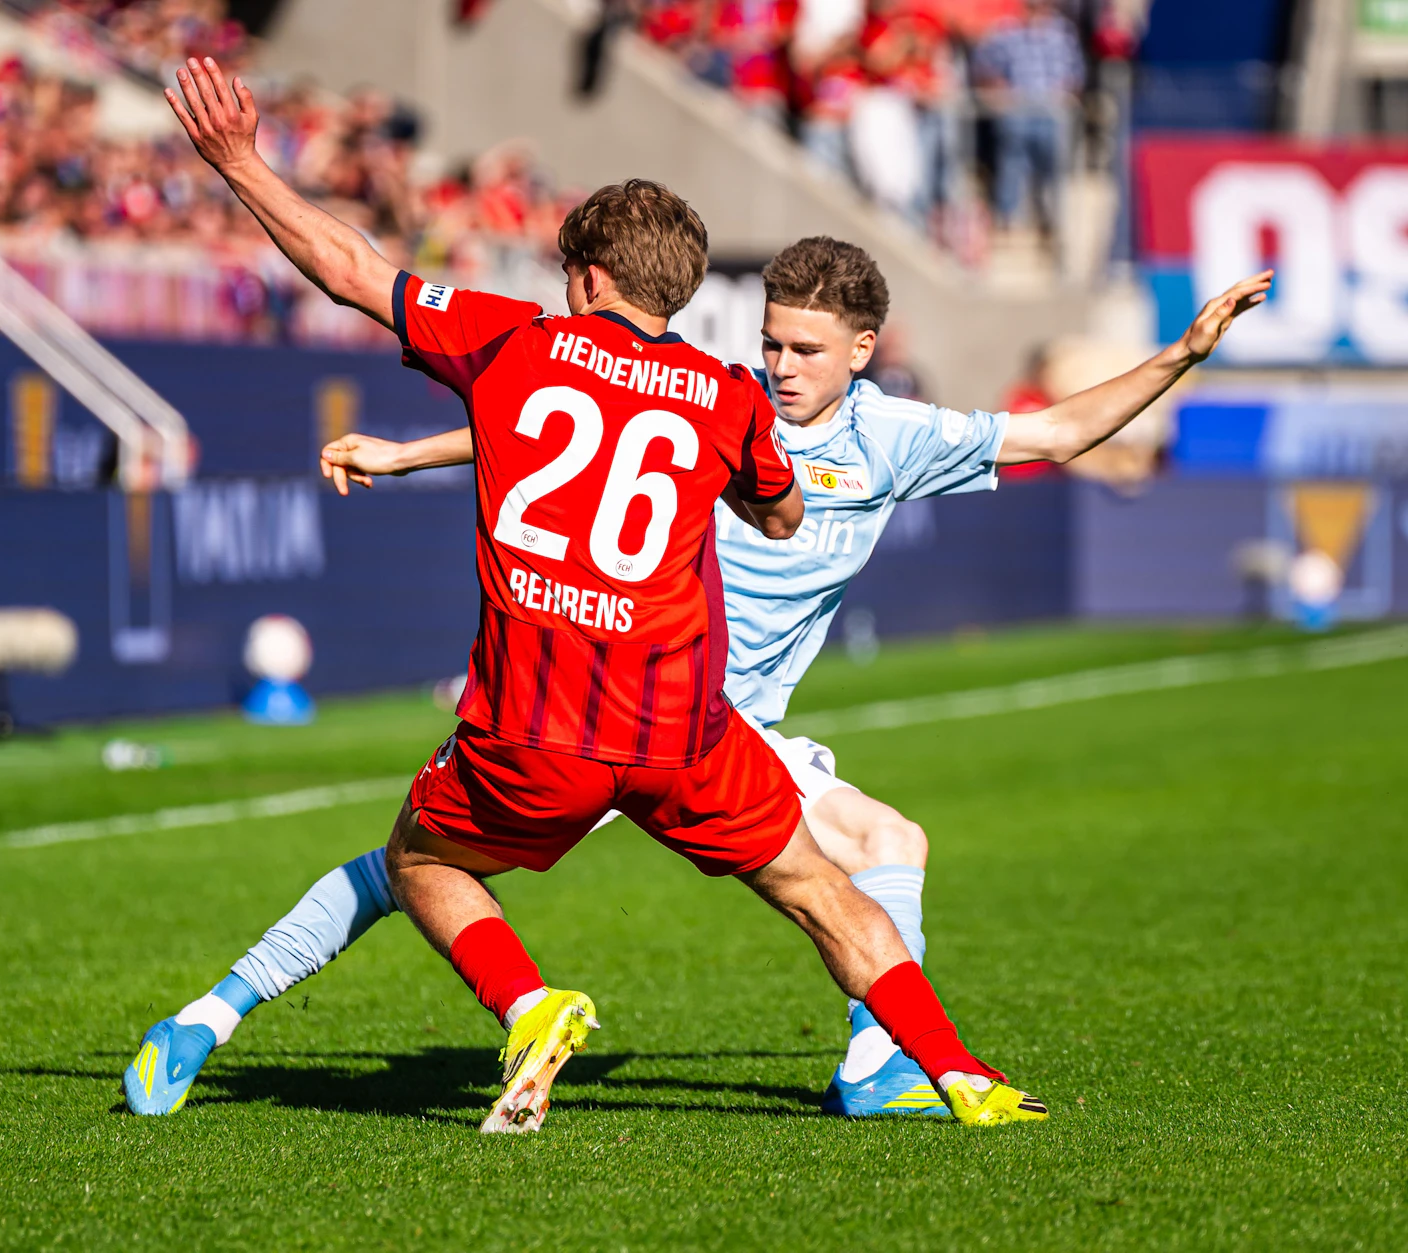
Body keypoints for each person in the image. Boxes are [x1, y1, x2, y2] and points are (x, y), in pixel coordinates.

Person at [135, 234, 1271, 1121]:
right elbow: (546, 423)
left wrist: (1179, 355)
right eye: (770, 342)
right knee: (405, 871)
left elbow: (1062, 430)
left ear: (861, 351)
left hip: (714, 728)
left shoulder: (899, 439)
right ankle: (211, 1012)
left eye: (803, 350)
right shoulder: (714, 393)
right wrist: (408, 449)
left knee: (881, 844)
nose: (776, 366)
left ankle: (878, 1066)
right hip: (638, 704)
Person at [127, 56, 1050, 1132]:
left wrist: (240, 160)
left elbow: (347, 266)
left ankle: (520, 1001)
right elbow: (783, 511)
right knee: (824, 892)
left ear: (585, 280)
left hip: (536, 722)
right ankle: (959, 1073)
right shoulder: (723, 398)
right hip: (682, 733)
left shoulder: (513, 346)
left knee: (414, 860)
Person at [974, 0, 1085, 239]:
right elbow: (984, 66)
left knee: (1053, 167)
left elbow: (1077, 75)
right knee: (1012, 161)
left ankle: (1050, 218)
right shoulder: (1007, 30)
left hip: (1052, 115)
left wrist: (1066, 94)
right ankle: (1008, 219)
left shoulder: (1063, 33)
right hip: (1018, 112)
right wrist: (997, 91)